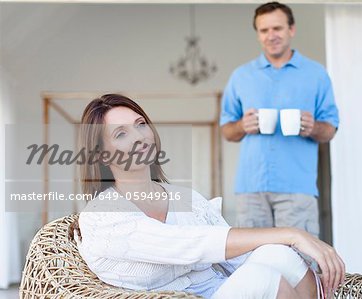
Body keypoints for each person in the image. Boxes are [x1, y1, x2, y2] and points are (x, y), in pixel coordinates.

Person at [71, 94, 344, 299]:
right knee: (261, 278)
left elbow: (235, 258)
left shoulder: (184, 198)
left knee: (277, 256)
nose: (140, 137)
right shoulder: (101, 214)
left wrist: (286, 248)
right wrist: (292, 234)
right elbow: (188, 244)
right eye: (121, 133)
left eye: (140, 124)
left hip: (220, 291)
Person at [220, 2, 339, 237]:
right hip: (251, 188)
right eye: (264, 30)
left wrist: (313, 127)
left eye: (277, 28)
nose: (271, 36)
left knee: (298, 262)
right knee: (251, 261)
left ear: (291, 30)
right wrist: (242, 126)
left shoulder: (316, 74)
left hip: (297, 189)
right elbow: (227, 131)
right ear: (258, 34)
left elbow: (331, 129)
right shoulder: (241, 76)